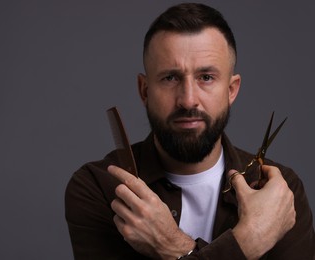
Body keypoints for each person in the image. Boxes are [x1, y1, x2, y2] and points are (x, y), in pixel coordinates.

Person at [65, 3, 315, 259]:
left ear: (231, 90)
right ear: (144, 90)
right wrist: (248, 242)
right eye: (170, 78)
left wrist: (174, 246)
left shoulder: (279, 192)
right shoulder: (100, 187)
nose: (188, 100)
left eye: (206, 77)